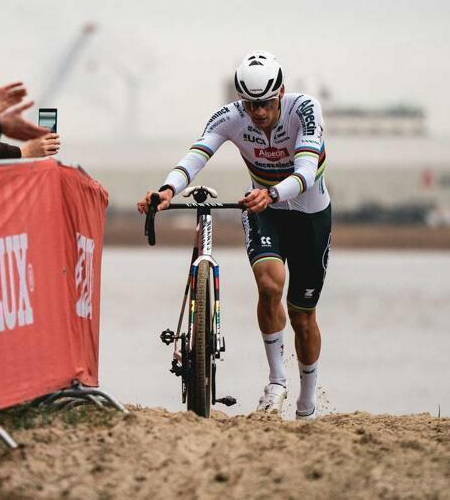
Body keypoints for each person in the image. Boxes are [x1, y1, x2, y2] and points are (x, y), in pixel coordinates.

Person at [137, 51, 331, 420]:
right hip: (265, 212)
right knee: (270, 287)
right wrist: (166, 190)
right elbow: (197, 155)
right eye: (250, 104)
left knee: (303, 316)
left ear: (282, 93)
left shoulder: (305, 109)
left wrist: (272, 192)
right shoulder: (230, 116)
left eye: (266, 103)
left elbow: (306, 170)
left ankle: (307, 400)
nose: (258, 112)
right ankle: (276, 381)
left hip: (308, 215)